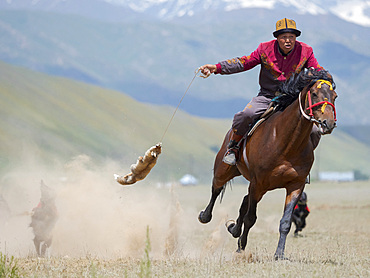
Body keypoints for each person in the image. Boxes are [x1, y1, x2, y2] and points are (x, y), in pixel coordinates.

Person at [200, 18, 324, 165]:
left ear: (296, 38)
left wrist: (325, 77)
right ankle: (233, 147)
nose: (288, 40)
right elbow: (244, 62)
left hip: (293, 98)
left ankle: (302, 161)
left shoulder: (306, 51)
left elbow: (316, 69)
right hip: (268, 96)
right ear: (277, 38)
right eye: (284, 37)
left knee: (315, 131)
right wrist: (217, 68)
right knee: (247, 115)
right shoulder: (264, 49)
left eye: (291, 37)